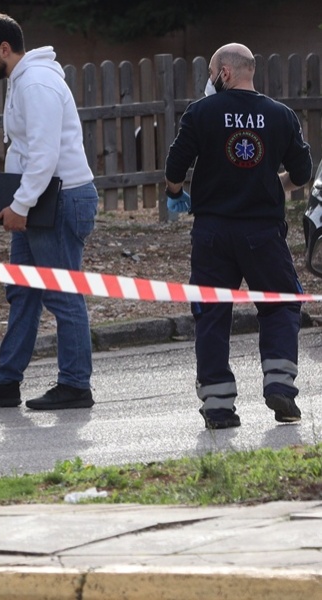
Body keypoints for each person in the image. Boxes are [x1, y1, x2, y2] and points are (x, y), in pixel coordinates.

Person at [0, 13, 99, 411]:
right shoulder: (23, 80)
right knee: (24, 293)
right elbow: (26, 151)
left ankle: (75, 385)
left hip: (59, 200)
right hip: (43, 200)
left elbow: (45, 155)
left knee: (62, 295)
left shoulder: (35, 83)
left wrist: (19, 205)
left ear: (4, 49)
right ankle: (5, 380)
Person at [164, 43, 312, 430]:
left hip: (212, 233)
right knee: (280, 304)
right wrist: (275, 183)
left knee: (212, 312)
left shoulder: (201, 112)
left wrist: (177, 193)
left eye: (212, 72)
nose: (210, 80)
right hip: (262, 233)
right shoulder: (281, 116)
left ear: (224, 73)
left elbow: (175, 166)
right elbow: (303, 171)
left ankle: (218, 407)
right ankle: (279, 383)